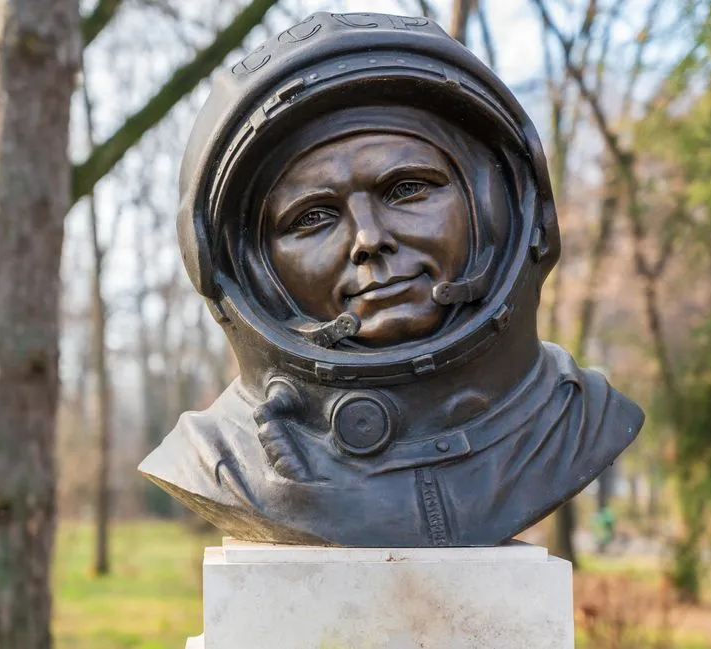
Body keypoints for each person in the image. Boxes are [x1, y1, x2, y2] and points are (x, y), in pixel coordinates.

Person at [139, 11, 645, 547]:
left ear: (497, 207)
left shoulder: (576, 422)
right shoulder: (219, 461)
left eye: (407, 189)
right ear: (250, 271)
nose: (368, 239)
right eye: (312, 217)